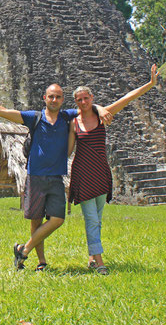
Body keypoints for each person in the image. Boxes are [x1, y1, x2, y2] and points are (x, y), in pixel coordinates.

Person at [0, 83, 112, 271]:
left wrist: (101, 107)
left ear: (62, 100)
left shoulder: (66, 117)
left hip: (56, 177)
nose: (54, 100)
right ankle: (41, 262)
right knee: (36, 220)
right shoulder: (35, 118)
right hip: (36, 176)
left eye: (58, 97)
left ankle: (24, 249)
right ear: (45, 98)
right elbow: (4, 111)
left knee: (57, 219)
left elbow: (87, 106)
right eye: (51, 96)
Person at [67, 65, 159, 275]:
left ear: (92, 97)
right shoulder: (73, 123)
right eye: (79, 100)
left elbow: (127, 98)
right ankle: (99, 262)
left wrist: (151, 84)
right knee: (91, 219)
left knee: (97, 219)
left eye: (86, 98)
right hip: (83, 174)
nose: (83, 102)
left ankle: (91, 257)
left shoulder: (103, 115)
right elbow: (68, 150)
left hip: (101, 173)